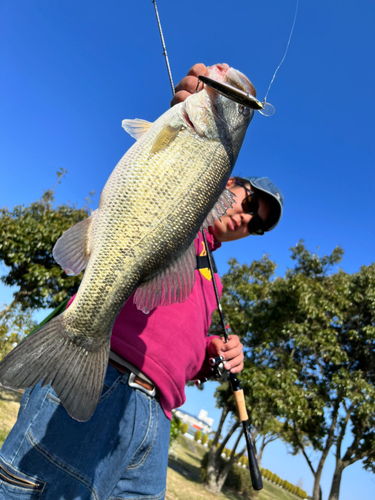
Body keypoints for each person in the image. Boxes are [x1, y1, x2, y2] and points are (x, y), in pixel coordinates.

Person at [0, 64, 283, 500]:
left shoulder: (214, 282)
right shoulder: (187, 225)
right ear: (227, 183)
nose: (246, 218)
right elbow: (162, 180)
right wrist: (187, 105)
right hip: (106, 380)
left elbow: (174, 334)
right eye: (250, 202)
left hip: (158, 421)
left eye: (256, 224)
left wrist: (209, 354)